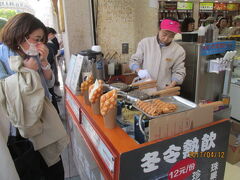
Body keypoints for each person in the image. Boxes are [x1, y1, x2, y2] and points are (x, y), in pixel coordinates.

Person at [0, 13, 68, 180]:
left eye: (42, 40)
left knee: (55, 168)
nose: (39, 44)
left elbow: (50, 84)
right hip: (22, 128)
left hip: (45, 119)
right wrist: (28, 70)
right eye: (37, 39)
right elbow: (4, 92)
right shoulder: (2, 54)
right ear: (21, 33)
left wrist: (44, 62)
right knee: (35, 170)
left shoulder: (33, 53)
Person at [129, 17, 186, 90]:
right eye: (164, 34)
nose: (166, 39)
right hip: (144, 87)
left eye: (171, 36)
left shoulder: (179, 50)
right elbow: (134, 61)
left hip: (164, 89)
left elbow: (179, 71)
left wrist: (172, 85)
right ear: (159, 29)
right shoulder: (145, 43)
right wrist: (139, 70)